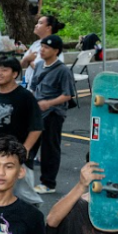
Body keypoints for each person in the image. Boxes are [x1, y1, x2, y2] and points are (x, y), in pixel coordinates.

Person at [28, 36, 77, 194]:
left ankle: (48, 183)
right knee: (29, 145)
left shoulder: (63, 70)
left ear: (56, 51)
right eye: (41, 47)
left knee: (49, 148)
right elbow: (33, 86)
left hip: (53, 114)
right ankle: (24, 179)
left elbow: (68, 95)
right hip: (37, 112)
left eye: (46, 48)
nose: (42, 50)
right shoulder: (39, 65)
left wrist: (48, 103)